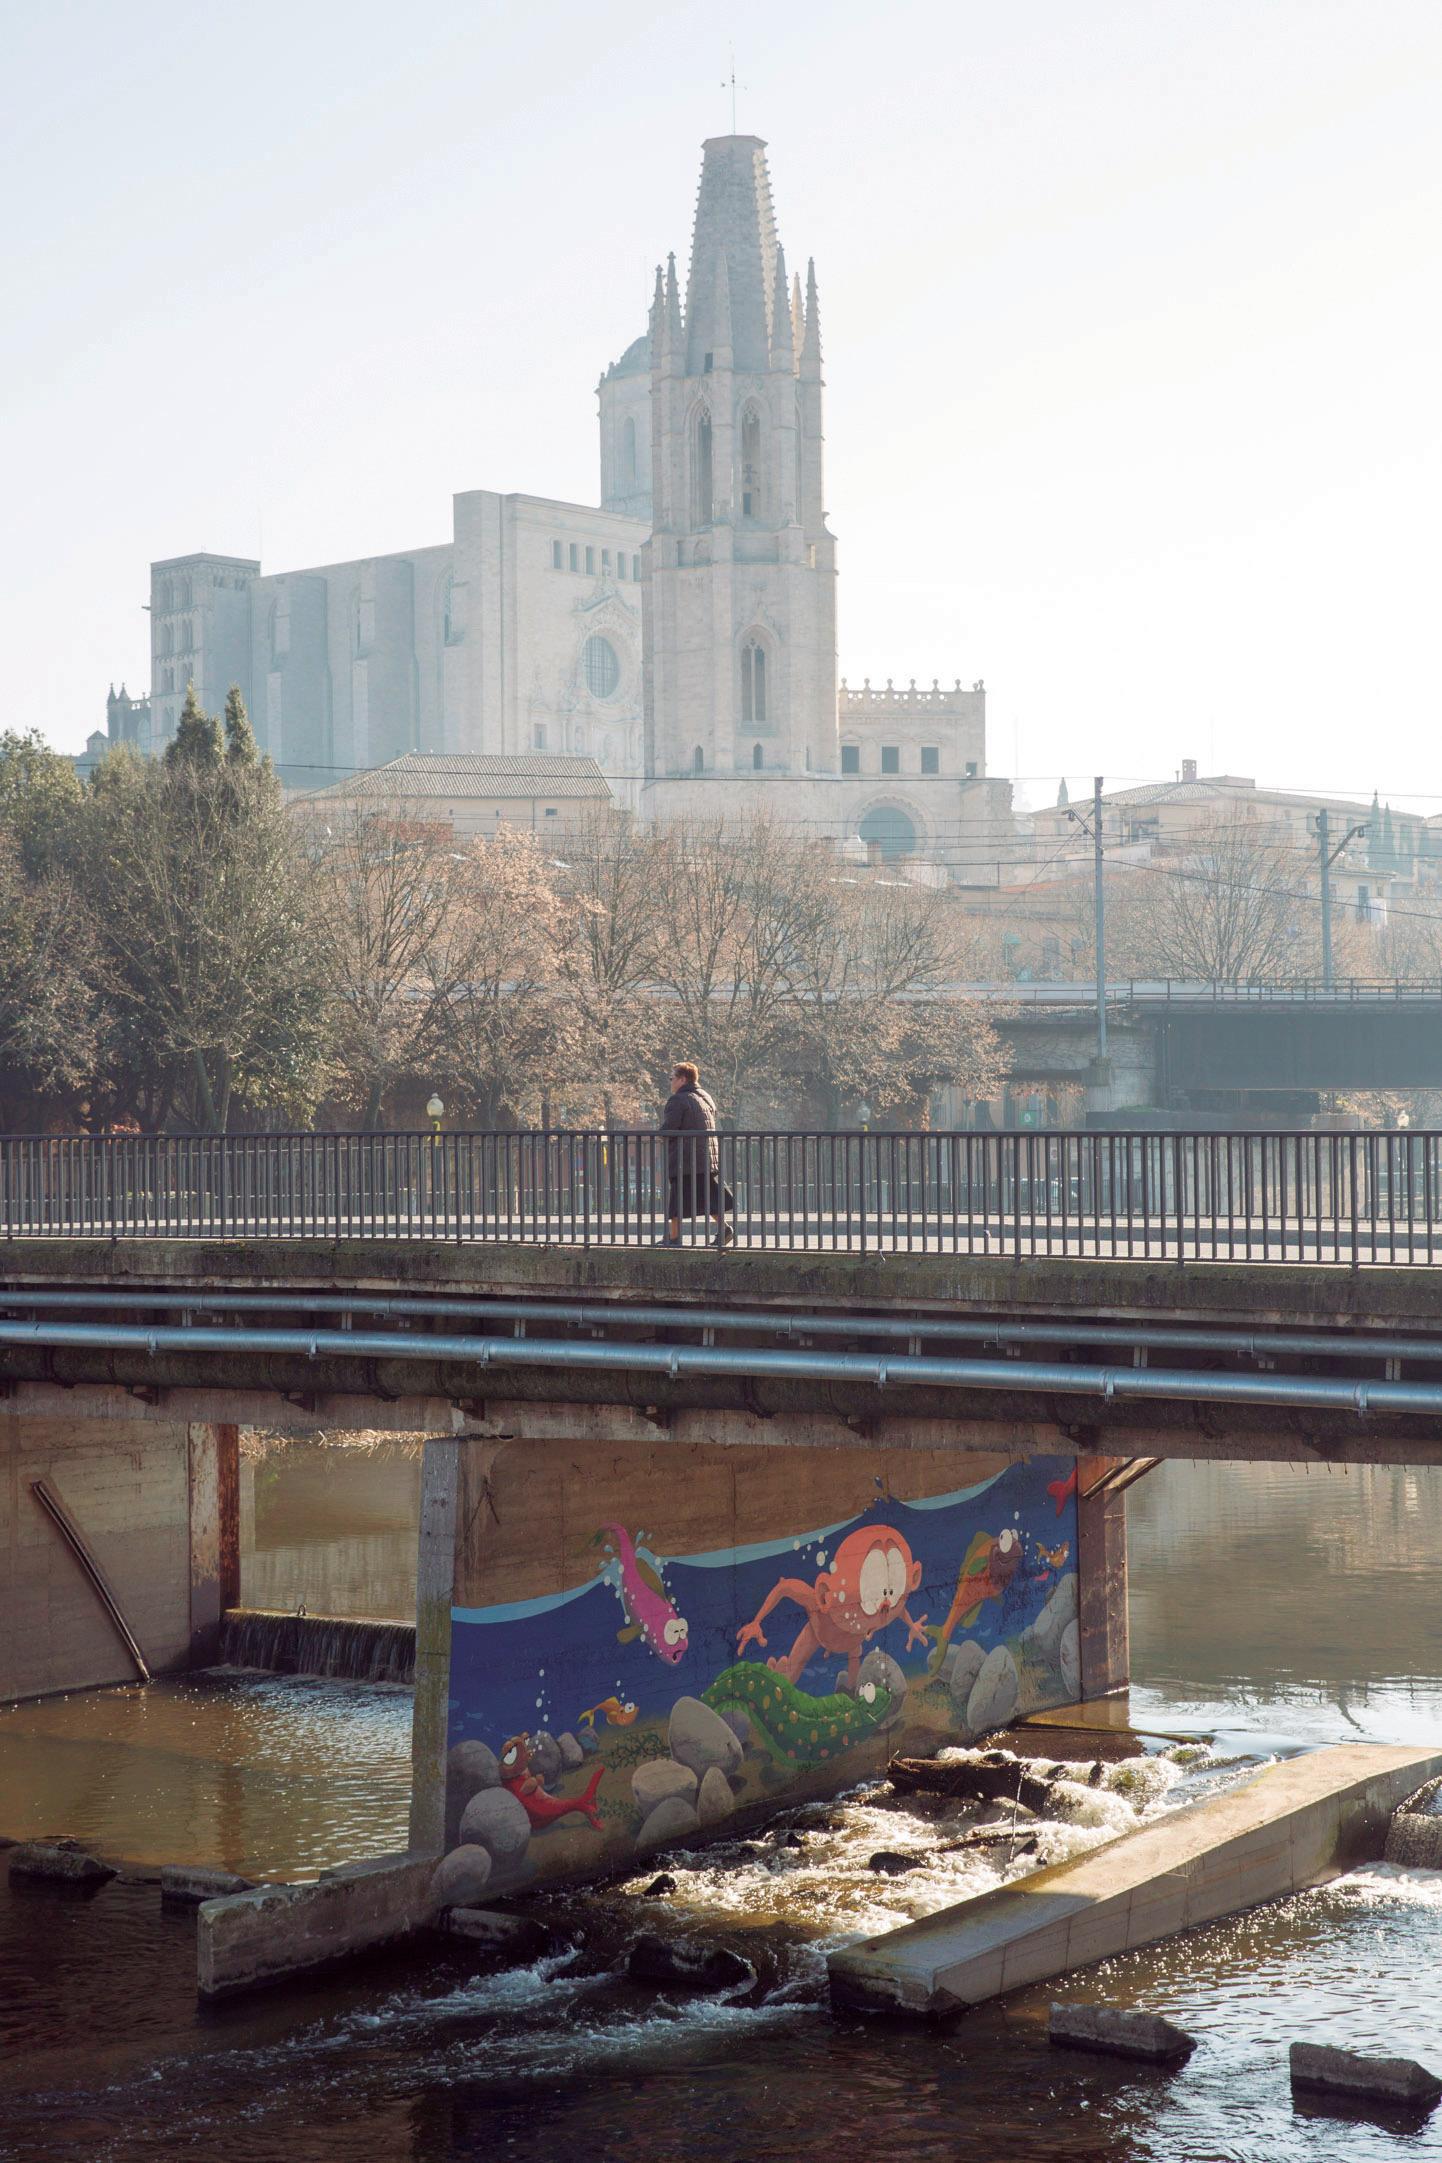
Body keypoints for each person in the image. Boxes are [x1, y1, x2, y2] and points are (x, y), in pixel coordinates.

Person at [658, 1062, 734, 1247]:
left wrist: (659, 1134)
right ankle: (724, 1229)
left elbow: (669, 1128)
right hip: (705, 1157)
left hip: (686, 1159)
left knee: (677, 1198)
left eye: (672, 1078)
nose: (670, 1082)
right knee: (706, 1196)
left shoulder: (678, 1100)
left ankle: (674, 1238)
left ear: (682, 1079)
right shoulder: (705, 1097)